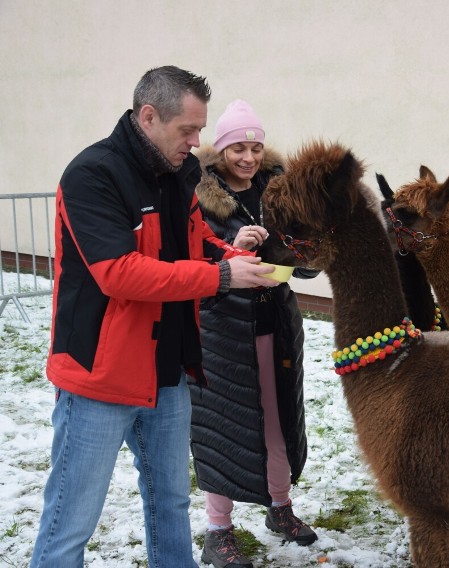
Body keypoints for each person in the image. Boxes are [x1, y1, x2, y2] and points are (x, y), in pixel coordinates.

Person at [30, 67, 279, 568]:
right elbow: (119, 274)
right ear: (149, 116)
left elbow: (192, 241)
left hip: (167, 376)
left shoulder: (178, 172)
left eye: (200, 129)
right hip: (99, 380)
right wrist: (219, 279)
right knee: (70, 522)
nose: (197, 141)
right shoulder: (92, 174)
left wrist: (227, 256)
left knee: (171, 504)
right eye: (188, 129)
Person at [191, 100, 319, 568]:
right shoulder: (199, 194)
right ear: (221, 149)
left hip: (276, 326)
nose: (247, 157)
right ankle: (218, 530)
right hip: (223, 333)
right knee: (224, 427)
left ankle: (279, 508)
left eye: (255, 147)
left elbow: (302, 263)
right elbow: (193, 267)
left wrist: (302, 251)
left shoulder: (279, 189)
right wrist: (233, 248)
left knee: (280, 419)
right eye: (237, 148)